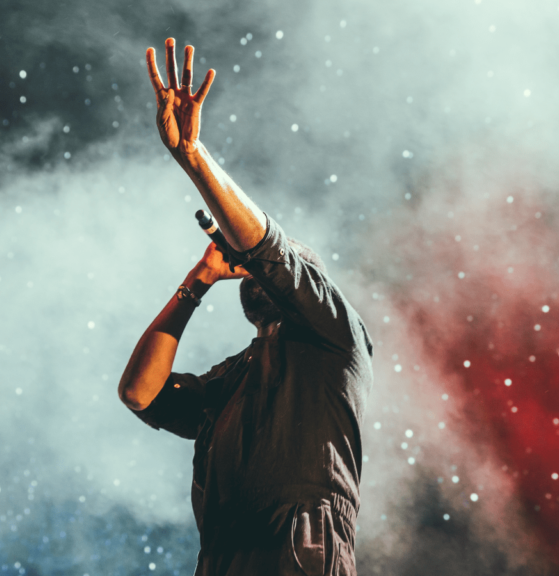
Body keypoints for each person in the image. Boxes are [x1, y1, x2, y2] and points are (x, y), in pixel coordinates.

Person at [117, 37, 373, 576]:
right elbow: (140, 393)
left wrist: (193, 156)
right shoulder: (233, 375)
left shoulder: (335, 331)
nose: (253, 268)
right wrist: (198, 281)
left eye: (271, 268)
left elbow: (267, 247)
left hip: (299, 544)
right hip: (222, 555)